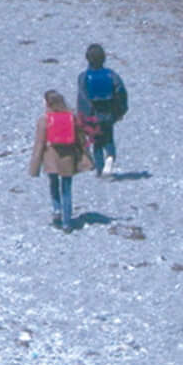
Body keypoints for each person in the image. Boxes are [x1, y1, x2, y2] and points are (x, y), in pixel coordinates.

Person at [29, 88, 89, 227]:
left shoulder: (44, 120)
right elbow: (81, 139)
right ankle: (67, 222)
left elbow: (39, 144)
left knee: (54, 184)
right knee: (67, 189)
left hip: (50, 157)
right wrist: (85, 156)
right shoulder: (71, 118)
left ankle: (57, 209)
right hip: (67, 157)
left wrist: (34, 167)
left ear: (47, 103)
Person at [75, 43, 130, 177]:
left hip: (93, 114)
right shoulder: (111, 75)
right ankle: (110, 157)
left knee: (97, 142)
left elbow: (83, 98)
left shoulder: (83, 76)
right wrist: (120, 111)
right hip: (109, 112)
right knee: (109, 138)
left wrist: (83, 116)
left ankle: (100, 170)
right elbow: (121, 92)